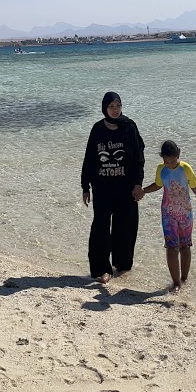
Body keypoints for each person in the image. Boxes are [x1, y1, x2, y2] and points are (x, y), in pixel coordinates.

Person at [79, 91, 146, 284]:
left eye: (118, 106)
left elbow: (139, 159)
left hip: (126, 188)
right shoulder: (97, 129)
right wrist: (85, 186)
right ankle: (102, 270)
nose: (115, 110)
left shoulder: (129, 127)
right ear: (104, 108)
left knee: (125, 227)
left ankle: (123, 266)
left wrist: (138, 184)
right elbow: (89, 160)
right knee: (100, 227)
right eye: (111, 106)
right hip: (102, 188)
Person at [139, 139, 196, 293]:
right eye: (167, 162)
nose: (170, 165)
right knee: (171, 247)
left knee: (185, 246)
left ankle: (184, 279)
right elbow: (158, 185)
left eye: (173, 161)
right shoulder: (161, 169)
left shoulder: (186, 169)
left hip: (185, 214)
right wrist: (144, 191)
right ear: (162, 159)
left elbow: (195, 187)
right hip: (168, 214)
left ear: (179, 155)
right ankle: (176, 282)